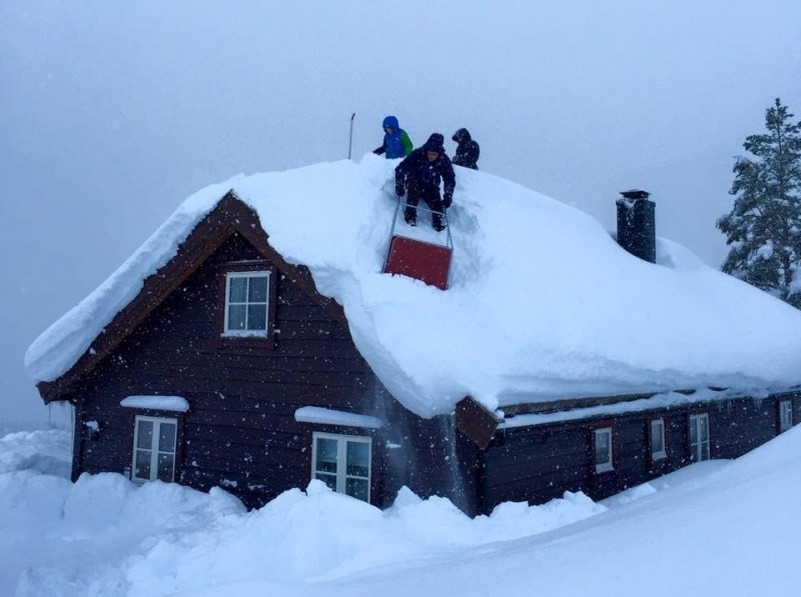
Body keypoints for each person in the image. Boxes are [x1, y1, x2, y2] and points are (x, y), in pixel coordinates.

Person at [394, 133, 456, 231]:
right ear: (426, 149)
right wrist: (399, 184)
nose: (431, 156)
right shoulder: (417, 153)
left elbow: (449, 178)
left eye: (434, 154)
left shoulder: (444, 160)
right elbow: (401, 169)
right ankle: (410, 226)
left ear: (439, 153)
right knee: (411, 203)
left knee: (438, 210)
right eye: (430, 153)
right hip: (414, 183)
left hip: (432, 188)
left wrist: (448, 194)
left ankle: (438, 232)